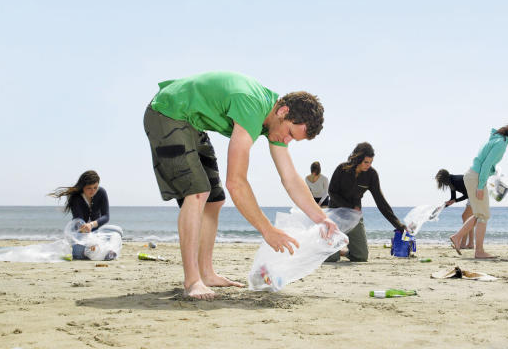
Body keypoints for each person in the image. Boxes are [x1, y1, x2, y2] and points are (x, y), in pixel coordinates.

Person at [144, 71, 336, 299]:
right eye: (290, 134)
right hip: (167, 112)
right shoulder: (251, 106)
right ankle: (192, 280)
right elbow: (236, 182)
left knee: (214, 200)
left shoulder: (274, 122)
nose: (287, 141)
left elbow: (290, 178)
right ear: (284, 112)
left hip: (191, 122)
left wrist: (320, 217)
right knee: (197, 192)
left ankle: (206, 273)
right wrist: (267, 230)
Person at [449, 121, 508, 259]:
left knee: (480, 214)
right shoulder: (501, 144)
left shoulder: (497, 139)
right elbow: (486, 164)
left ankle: (457, 237)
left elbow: (487, 163)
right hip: (476, 178)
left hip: (473, 176)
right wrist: (481, 186)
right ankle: (479, 251)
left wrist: (492, 174)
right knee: (483, 216)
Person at [325, 142, 406, 262]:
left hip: (354, 217)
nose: (368, 165)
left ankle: (343, 251)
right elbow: (331, 192)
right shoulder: (342, 169)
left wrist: (398, 225)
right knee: (332, 258)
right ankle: (328, 250)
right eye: (366, 162)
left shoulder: (371, 175)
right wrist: (350, 206)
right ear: (358, 159)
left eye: (371, 162)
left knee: (361, 257)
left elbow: (380, 201)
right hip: (336, 214)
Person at [49, 170, 111, 259]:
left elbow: (106, 217)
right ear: (82, 187)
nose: (93, 191)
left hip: (97, 231)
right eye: (89, 188)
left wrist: (91, 225)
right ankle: (95, 251)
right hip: (80, 233)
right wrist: (86, 232)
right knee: (78, 251)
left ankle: (95, 251)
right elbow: (79, 220)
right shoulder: (76, 198)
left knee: (117, 231)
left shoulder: (101, 192)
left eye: (95, 187)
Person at [435, 169, 473, 248]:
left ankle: (462, 244)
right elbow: (453, 199)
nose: (442, 184)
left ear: (444, 179)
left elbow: (467, 195)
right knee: (469, 219)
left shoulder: (456, 181)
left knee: (465, 217)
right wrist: (441, 207)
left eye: (441, 181)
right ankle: (471, 244)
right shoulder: (451, 182)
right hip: (473, 194)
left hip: (475, 193)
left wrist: (455, 200)